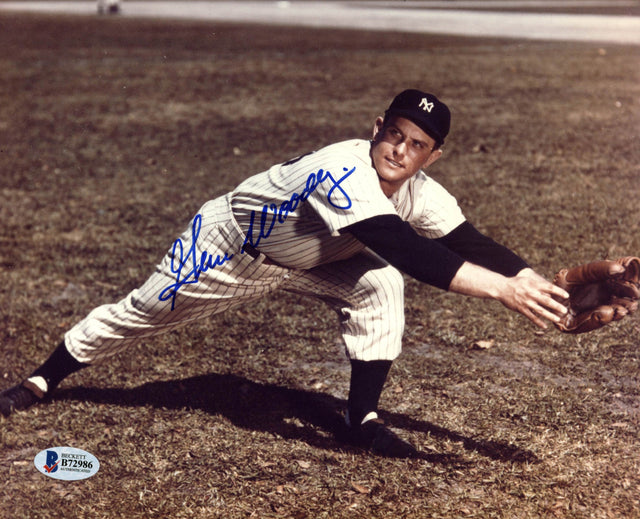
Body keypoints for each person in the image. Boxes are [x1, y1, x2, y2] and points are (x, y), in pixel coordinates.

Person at [0, 89, 569, 458]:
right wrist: (503, 290)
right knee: (143, 312)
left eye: (416, 144)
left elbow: (466, 241)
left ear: (432, 156)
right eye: (395, 133)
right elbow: (403, 247)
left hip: (312, 258)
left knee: (380, 286)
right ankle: (40, 381)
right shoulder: (343, 166)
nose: (400, 150)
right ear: (377, 127)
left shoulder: (420, 190)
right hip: (228, 246)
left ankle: (361, 419)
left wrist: (545, 289)